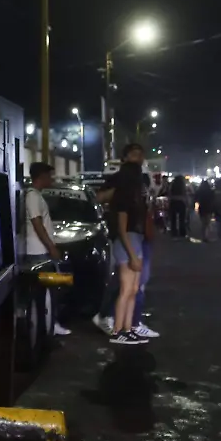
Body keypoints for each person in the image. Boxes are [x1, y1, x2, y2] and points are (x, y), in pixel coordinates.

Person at [93, 143, 159, 339]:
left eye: (141, 155)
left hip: (140, 235)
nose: (138, 158)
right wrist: (120, 189)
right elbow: (102, 200)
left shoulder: (142, 180)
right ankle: (118, 324)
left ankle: (130, 326)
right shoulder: (120, 182)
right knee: (126, 285)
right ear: (124, 158)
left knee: (136, 284)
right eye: (134, 155)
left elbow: (147, 203)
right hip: (128, 237)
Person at [22, 162, 70, 336]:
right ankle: (49, 325)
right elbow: (37, 223)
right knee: (48, 289)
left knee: (54, 286)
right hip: (39, 253)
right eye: (50, 176)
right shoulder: (33, 196)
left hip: (42, 251)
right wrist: (51, 247)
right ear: (41, 177)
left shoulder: (36, 196)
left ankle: (52, 323)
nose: (52, 179)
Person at [108, 161, 150, 345]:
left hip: (135, 241)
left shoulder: (134, 196)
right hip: (126, 244)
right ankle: (117, 331)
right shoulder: (123, 197)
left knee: (133, 289)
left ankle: (128, 328)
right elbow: (122, 229)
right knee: (126, 289)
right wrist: (132, 255)